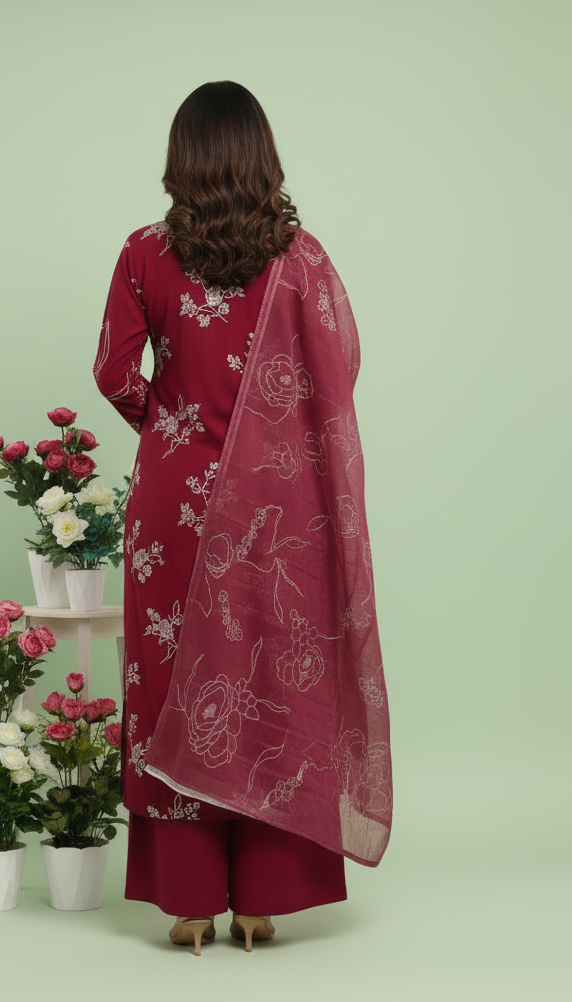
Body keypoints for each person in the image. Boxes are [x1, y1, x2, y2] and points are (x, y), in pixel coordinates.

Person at [94, 81, 391, 955]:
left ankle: (189, 903)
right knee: (265, 680)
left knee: (174, 686)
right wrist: (270, 433)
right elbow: (339, 370)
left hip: (172, 503)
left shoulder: (143, 253)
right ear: (262, 156)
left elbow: (114, 373)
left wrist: (173, 425)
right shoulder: (301, 258)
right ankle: (263, 900)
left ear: (180, 158)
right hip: (276, 507)